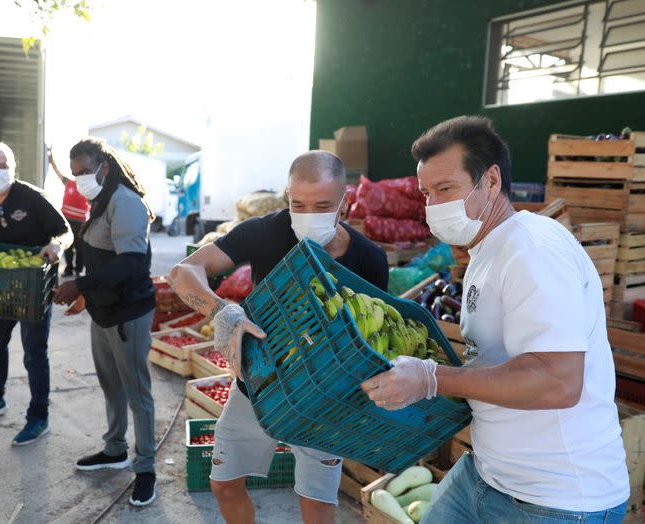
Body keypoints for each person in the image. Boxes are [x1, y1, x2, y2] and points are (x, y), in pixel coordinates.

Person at [361, 116, 629, 523]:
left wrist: (434, 378)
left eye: (446, 189)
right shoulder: (485, 251)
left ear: (490, 181)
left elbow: (559, 381)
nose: (434, 205)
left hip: (557, 501)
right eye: (427, 193)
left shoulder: (531, 248)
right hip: (487, 476)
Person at [168, 151, 389, 524]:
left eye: (322, 205)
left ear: (344, 201)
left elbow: (372, 339)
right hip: (258, 385)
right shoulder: (264, 232)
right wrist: (221, 311)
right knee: (223, 483)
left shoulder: (370, 259)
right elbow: (184, 271)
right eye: (297, 204)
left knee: (317, 504)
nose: (307, 215)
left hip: (324, 399)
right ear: (287, 196)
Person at [52, 137, 158, 506]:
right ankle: (115, 449)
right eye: (75, 173)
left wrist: (79, 284)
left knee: (137, 393)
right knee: (110, 384)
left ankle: (145, 469)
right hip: (104, 311)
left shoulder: (125, 203)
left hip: (128, 313)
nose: (80, 179)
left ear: (105, 167)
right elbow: (101, 259)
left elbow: (130, 263)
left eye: (85, 171)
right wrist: (87, 295)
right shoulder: (100, 199)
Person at [0, 140, 73, 446]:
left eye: (4, 166)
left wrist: (58, 244)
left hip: (32, 287)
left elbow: (65, 230)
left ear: (14, 167)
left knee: (34, 352)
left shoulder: (32, 198)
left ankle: (38, 415)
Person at [49, 147, 89, 277]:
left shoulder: (88, 186)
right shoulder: (69, 182)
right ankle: (68, 268)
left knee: (80, 248)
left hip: (81, 223)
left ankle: (78, 270)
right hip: (67, 220)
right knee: (68, 247)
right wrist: (51, 159)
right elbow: (57, 171)